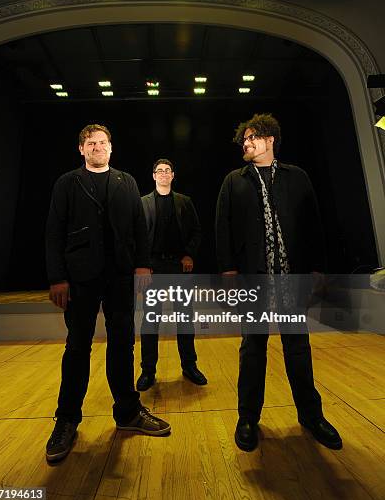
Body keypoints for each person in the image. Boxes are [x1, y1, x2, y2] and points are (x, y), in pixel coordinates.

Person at [216, 113, 342, 452]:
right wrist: (228, 272)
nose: (247, 143)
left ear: (271, 139)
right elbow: (223, 228)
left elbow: (314, 225)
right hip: (254, 279)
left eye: (253, 137)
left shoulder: (297, 177)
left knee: (297, 348)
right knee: (253, 348)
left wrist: (318, 268)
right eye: (243, 140)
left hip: (291, 279)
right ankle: (247, 418)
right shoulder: (234, 180)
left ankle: (311, 416)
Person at [45, 124, 170, 463]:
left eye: (102, 142)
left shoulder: (126, 181)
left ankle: (128, 413)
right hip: (80, 279)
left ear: (110, 149)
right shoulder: (67, 183)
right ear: (81, 149)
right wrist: (58, 277)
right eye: (90, 143)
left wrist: (143, 266)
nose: (97, 147)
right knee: (76, 348)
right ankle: (67, 419)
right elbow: (54, 232)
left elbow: (139, 228)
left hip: (120, 278)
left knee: (123, 346)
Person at [136, 158, 207, 391]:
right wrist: (143, 265)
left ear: (173, 175)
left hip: (179, 268)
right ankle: (148, 371)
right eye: (160, 171)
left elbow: (196, 231)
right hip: (152, 269)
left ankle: (189, 366)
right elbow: (136, 237)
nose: (164, 174)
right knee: (150, 320)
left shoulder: (184, 202)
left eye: (168, 171)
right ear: (154, 176)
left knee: (185, 318)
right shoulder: (142, 202)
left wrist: (189, 255)